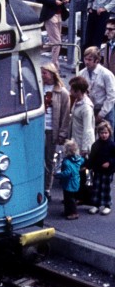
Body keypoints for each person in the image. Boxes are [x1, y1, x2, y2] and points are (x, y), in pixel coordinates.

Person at [37, 0, 71, 68]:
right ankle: (54, 65)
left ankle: (37, 48)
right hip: (50, 14)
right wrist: (53, 1)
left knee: (55, 42)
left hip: (60, 14)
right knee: (57, 42)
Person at [44, 63, 71, 199]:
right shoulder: (39, 88)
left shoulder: (62, 93)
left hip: (51, 131)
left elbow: (66, 115)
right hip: (39, 130)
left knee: (49, 161)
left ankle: (47, 188)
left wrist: (62, 133)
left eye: (45, 73)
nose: (43, 76)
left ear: (52, 74)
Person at [86, 120, 115, 215]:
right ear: (98, 133)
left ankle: (107, 205)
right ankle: (96, 205)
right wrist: (88, 167)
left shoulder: (111, 144)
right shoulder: (96, 145)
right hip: (97, 170)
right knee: (96, 188)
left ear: (109, 133)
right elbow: (92, 157)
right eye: (102, 133)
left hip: (108, 171)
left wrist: (110, 163)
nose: (104, 135)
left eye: (106, 133)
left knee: (105, 188)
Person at [81, 46, 115, 126]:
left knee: (108, 135)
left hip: (106, 109)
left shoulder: (106, 74)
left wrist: (101, 114)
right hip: (90, 108)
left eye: (90, 60)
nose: (86, 62)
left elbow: (111, 96)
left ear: (97, 61)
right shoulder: (82, 73)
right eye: (85, 59)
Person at [58, 139, 87, 220]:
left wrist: (58, 175)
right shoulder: (79, 159)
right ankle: (68, 211)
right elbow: (83, 160)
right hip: (76, 181)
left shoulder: (66, 162)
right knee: (71, 198)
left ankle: (73, 212)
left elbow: (67, 173)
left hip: (68, 183)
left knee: (69, 199)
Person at [70, 74, 96, 156]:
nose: (70, 90)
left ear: (78, 91)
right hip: (75, 140)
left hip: (82, 144)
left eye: (72, 89)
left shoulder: (86, 108)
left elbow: (88, 129)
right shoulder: (77, 101)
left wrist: (84, 148)